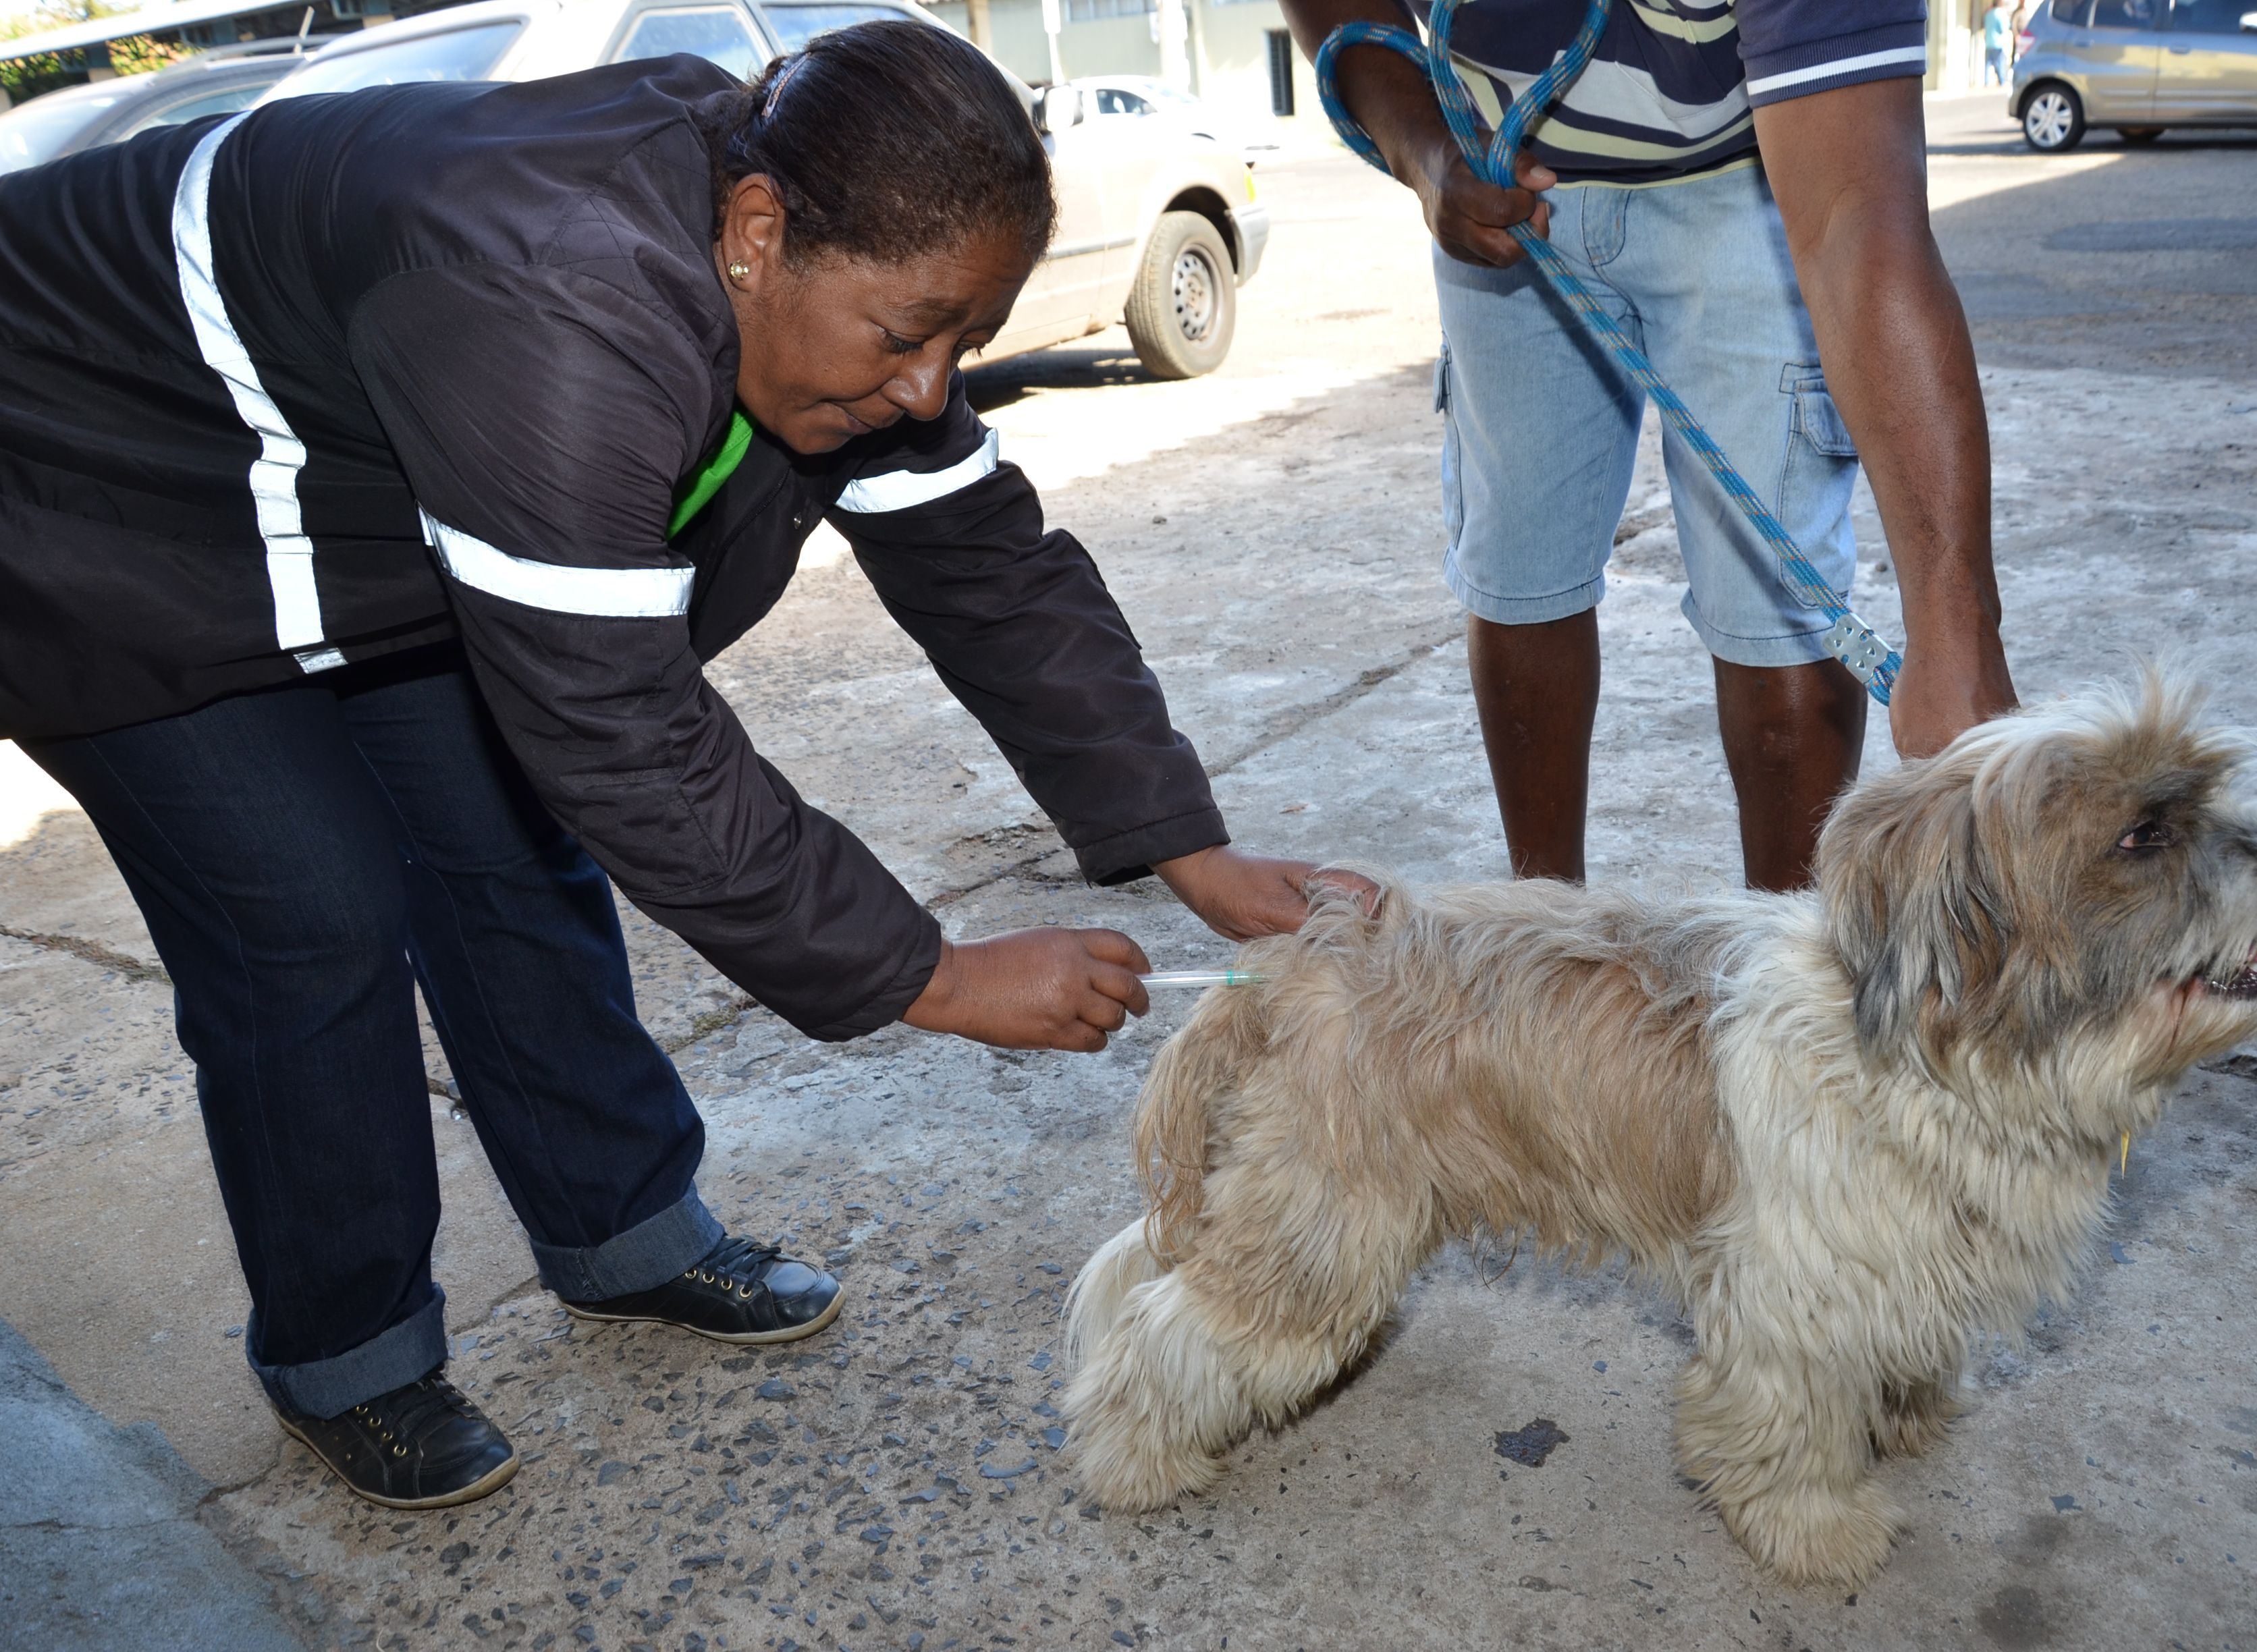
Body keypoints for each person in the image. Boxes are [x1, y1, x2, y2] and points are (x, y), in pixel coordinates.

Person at [0, 24, 1338, 1510]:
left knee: (507, 846)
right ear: (758, 233)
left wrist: (1185, 846)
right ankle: (352, 1356)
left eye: (962, 340)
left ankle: (621, 1233)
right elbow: (621, 725)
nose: (927, 386)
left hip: (355, 495)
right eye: (908, 336)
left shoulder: (814, 247)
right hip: (96, 491)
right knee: (307, 918)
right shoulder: (553, 299)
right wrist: (931, 973)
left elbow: (988, 567)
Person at [1284, 0, 2017, 890]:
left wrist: (1954, 634)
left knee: (1779, 610)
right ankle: (1546, 947)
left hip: (1752, 173)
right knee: (1519, 571)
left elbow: (1855, 217)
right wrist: (1421, 143)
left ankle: (1794, 982)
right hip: (1495, 166)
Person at [1985, 1, 2017, 86]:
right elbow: (2003, 28)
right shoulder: (2000, 14)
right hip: (1998, 43)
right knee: (1999, 63)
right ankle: (2002, 82)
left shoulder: (1988, 14)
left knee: (1988, 64)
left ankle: (1986, 82)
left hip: (1988, 42)